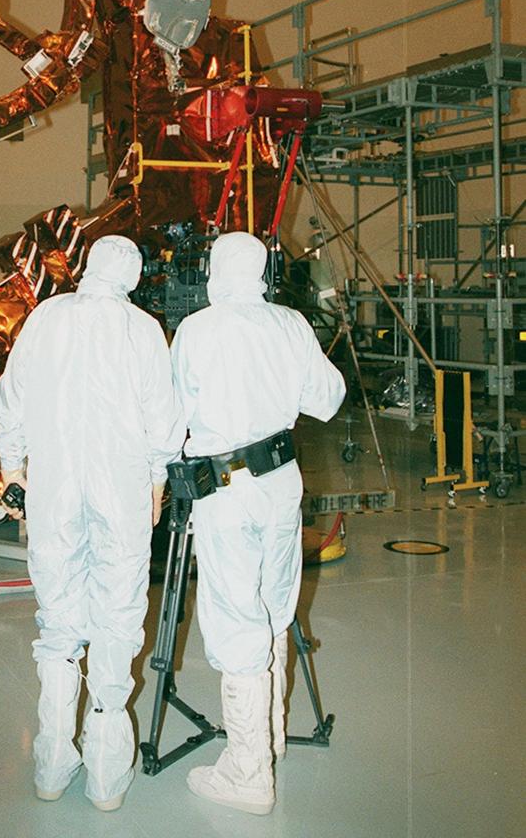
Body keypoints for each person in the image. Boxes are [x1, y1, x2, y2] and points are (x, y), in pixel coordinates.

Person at [0, 235, 184, 812]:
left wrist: (12, 467)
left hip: (53, 492)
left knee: (57, 621)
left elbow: (12, 394)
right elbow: (162, 416)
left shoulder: (47, 318)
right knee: (117, 617)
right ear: (133, 275)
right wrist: (157, 479)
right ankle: (105, 775)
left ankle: (52, 766)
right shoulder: (143, 330)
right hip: (121, 494)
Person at [171, 231, 345, 815]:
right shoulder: (290, 323)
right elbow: (328, 398)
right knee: (274, 606)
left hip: (227, 491)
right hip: (280, 483)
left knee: (234, 617)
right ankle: (269, 737)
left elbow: (172, 417)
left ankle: (248, 773)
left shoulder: (198, 329)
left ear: (216, 270)